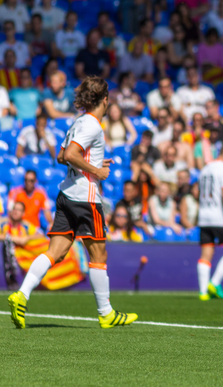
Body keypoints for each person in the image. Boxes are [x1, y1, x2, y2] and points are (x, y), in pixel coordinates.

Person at [8, 76, 138, 329]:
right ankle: (106, 313)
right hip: (86, 198)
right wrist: (96, 172)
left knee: (54, 252)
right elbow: (69, 154)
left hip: (67, 194)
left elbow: (60, 156)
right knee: (99, 254)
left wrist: (91, 166)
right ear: (105, 99)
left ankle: (21, 295)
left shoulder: (78, 122)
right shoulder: (93, 126)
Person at [196, 143, 223, 301]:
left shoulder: (205, 168)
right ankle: (214, 283)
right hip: (219, 217)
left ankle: (202, 293)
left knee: (206, 253)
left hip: (203, 216)